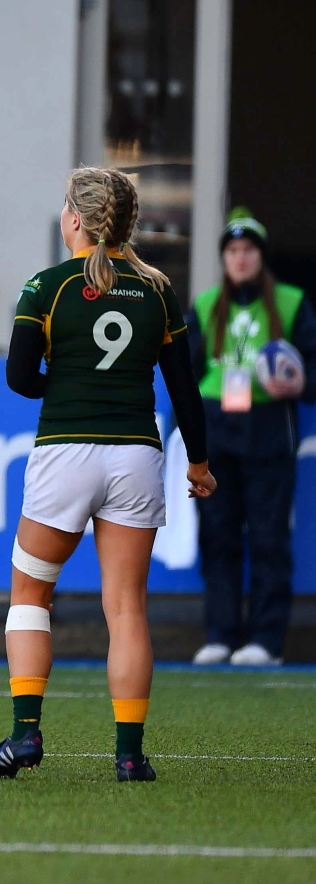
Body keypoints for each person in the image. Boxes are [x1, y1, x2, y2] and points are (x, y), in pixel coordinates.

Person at [0, 166, 212, 783]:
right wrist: (199, 462)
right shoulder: (158, 288)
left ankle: (25, 736)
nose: (62, 218)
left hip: (66, 454)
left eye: (65, 209)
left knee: (31, 594)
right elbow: (184, 386)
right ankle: (130, 754)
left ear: (78, 220)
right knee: (127, 607)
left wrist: (74, 382)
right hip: (137, 454)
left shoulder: (46, 287)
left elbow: (20, 378)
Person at [187, 209, 316, 667]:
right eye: (232, 251)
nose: (240, 259)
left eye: (248, 251)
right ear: (224, 258)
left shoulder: (292, 302)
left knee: (268, 537)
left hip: (268, 428)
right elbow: (188, 371)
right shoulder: (204, 306)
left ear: (261, 257)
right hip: (216, 426)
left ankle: (266, 639)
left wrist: (300, 385)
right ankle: (220, 633)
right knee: (217, 534)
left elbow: (313, 370)